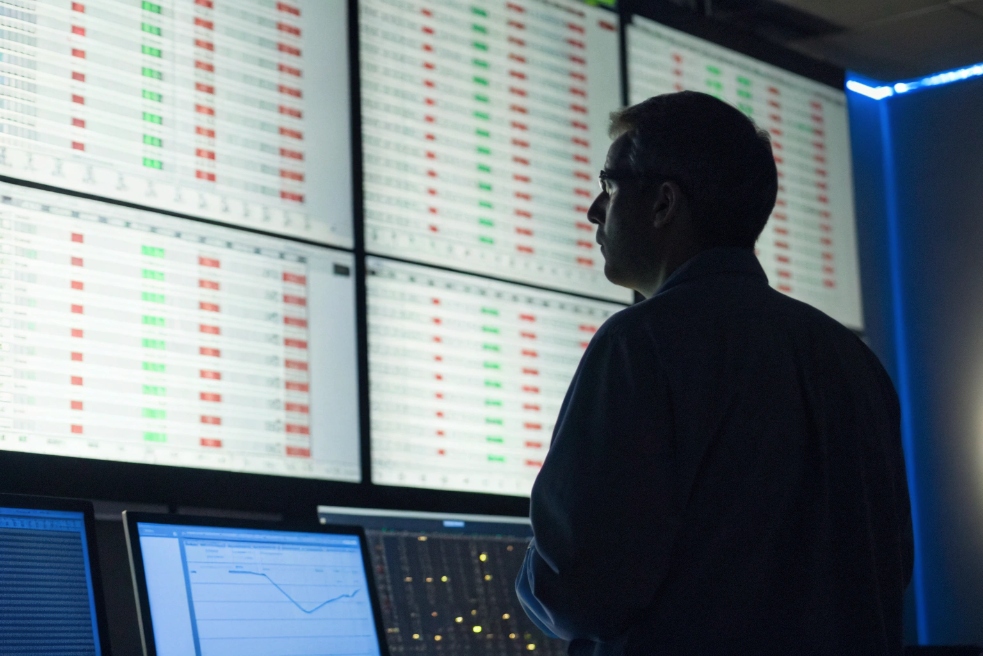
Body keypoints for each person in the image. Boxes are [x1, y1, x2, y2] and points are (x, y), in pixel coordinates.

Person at [515, 91, 913, 655]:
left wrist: (536, 567)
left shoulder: (640, 344)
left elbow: (579, 590)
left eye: (610, 185)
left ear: (663, 203)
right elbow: (889, 571)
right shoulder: (854, 363)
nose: (594, 210)